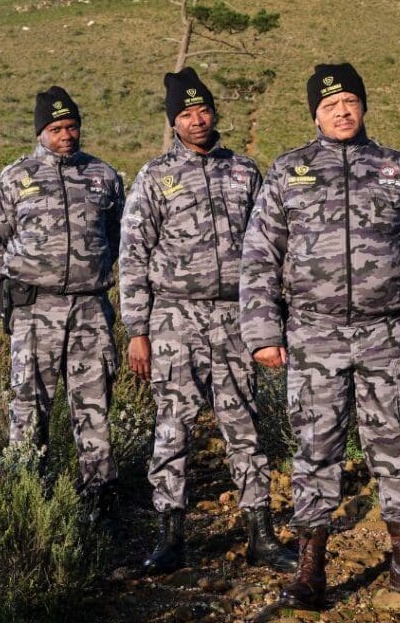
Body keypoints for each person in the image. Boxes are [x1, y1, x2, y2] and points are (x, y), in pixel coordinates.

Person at [240, 63, 400, 608]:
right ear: (315, 112)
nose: (342, 111)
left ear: (364, 107)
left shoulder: (395, 169)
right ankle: (311, 569)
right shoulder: (288, 171)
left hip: (385, 333)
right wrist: (264, 331)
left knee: (396, 444)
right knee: (316, 449)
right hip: (314, 333)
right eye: (331, 104)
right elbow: (260, 257)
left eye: (351, 102)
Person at [119, 68, 296, 574]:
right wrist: (138, 331)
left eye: (203, 111)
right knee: (172, 426)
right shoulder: (154, 177)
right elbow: (133, 257)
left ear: (214, 113)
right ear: (173, 121)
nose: (196, 121)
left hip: (235, 317)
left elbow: (268, 250)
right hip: (174, 317)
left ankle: (260, 534)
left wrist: (270, 318)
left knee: (245, 425)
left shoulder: (245, 171)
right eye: (185, 114)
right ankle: (170, 538)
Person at [0, 86, 124, 521]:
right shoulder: (15, 178)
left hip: (90, 312)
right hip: (35, 312)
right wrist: (27, 277)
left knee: (94, 407)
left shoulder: (104, 177)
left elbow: (118, 239)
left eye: (72, 126)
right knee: (28, 407)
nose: (67, 135)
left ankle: (98, 504)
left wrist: (89, 273)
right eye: (57, 128)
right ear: (41, 132)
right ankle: (28, 505)